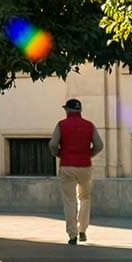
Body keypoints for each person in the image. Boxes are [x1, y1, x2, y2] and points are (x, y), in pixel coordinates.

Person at [50, 97, 104, 244]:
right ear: (79, 110)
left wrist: (58, 153)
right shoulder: (89, 125)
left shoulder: (61, 125)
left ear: (68, 110)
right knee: (85, 198)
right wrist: (89, 154)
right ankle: (83, 230)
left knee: (69, 201)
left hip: (67, 165)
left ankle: (72, 234)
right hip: (85, 166)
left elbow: (53, 144)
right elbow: (99, 145)